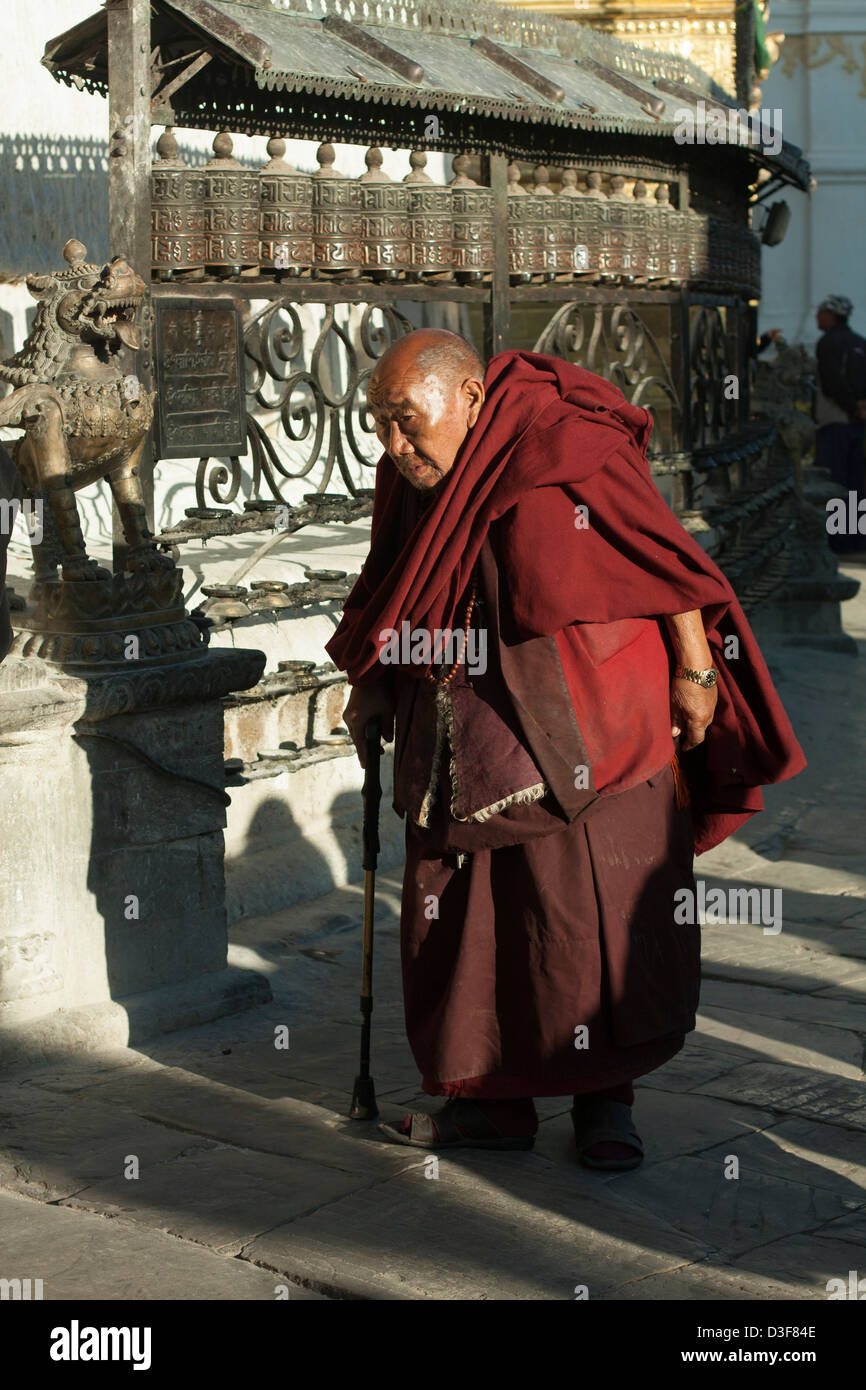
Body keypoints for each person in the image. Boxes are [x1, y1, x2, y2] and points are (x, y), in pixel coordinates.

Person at [326, 330, 806, 1169]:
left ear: (471, 400)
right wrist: (370, 683)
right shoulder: (412, 476)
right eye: (381, 426)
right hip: (458, 716)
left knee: (591, 916)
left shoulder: (565, 438)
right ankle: (491, 1102)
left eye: (407, 421)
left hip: (593, 713)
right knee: (472, 918)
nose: (394, 446)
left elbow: (662, 559)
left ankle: (604, 1101)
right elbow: (393, 579)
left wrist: (696, 669)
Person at [814, 294, 866, 555]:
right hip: (858, 424)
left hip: (835, 421)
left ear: (831, 315)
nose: (816, 317)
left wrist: (852, 406)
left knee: (834, 482)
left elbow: (831, 381)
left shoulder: (829, 343)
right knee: (856, 483)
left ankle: (838, 540)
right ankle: (857, 537)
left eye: (820, 312)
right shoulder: (859, 342)